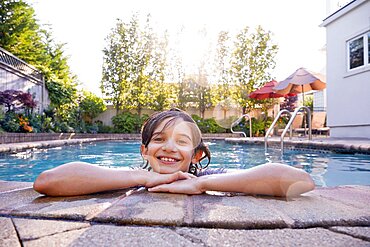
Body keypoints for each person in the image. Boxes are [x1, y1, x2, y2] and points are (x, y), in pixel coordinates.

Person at [33, 108, 315, 197]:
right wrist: (141, 178)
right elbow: (47, 181)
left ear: (196, 156)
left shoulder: (211, 176)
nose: (169, 147)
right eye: (159, 139)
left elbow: (299, 180)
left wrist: (201, 182)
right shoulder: (130, 178)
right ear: (145, 151)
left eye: (181, 141)